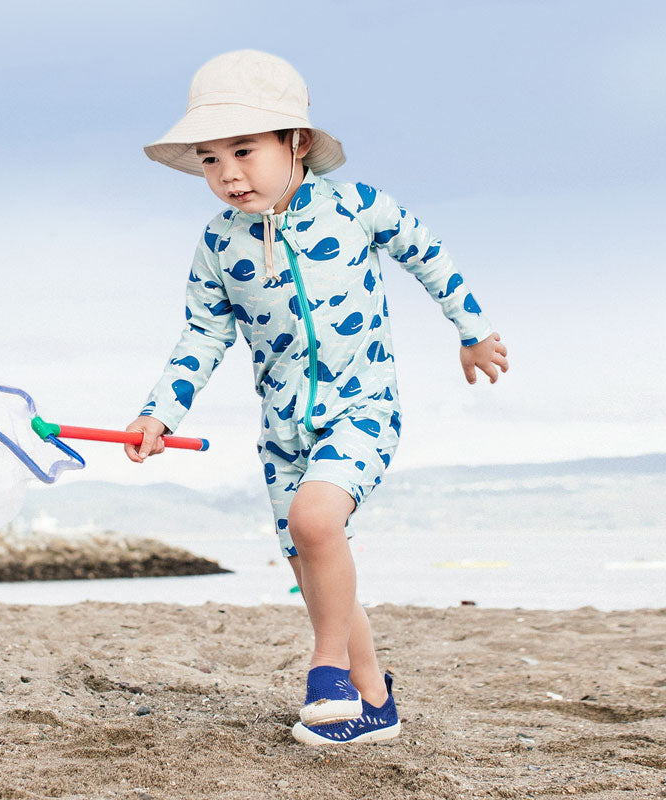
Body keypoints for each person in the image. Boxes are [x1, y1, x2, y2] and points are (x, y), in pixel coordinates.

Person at [124, 50, 508, 745]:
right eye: (210, 159)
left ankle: (324, 667)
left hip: (362, 408)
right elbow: (201, 337)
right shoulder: (217, 245)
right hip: (283, 432)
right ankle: (372, 701)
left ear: (295, 143)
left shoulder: (356, 208)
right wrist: (160, 412)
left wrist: (472, 332)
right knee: (316, 565)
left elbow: (427, 251)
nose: (228, 173)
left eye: (244, 150)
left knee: (317, 520)